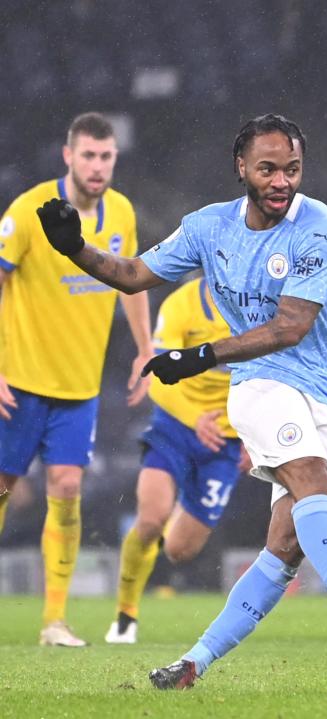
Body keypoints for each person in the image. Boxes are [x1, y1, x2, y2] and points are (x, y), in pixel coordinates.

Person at [35, 113, 327, 687]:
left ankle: (191, 665)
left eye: (291, 169)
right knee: (311, 481)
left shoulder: (321, 228)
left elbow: (292, 325)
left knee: (286, 545)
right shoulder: (208, 228)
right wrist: (76, 250)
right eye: (267, 168)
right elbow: (135, 272)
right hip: (261, 384)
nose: (281, 181)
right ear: (241, 167)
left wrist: (198, 356)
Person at [0, 112, 153, 647]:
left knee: (66, 488)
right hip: (18, 381)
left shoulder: (122, 214)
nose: (97, 165)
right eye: (87, 155)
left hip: (79, 390)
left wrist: (145, 348)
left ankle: (54, 622)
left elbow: (133, 279)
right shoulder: (27, 210)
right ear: (68, 156)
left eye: (105, 156)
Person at [105, 276, 252, 644]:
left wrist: (257, 436)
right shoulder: (181, 304)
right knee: (150, 519)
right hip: (176, 427)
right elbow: (156, 375)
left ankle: (179, 509)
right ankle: (125, 615)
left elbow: (274, 375)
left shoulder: (259, 304)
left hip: (226, 440)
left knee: (180, 550)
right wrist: (194, 420)